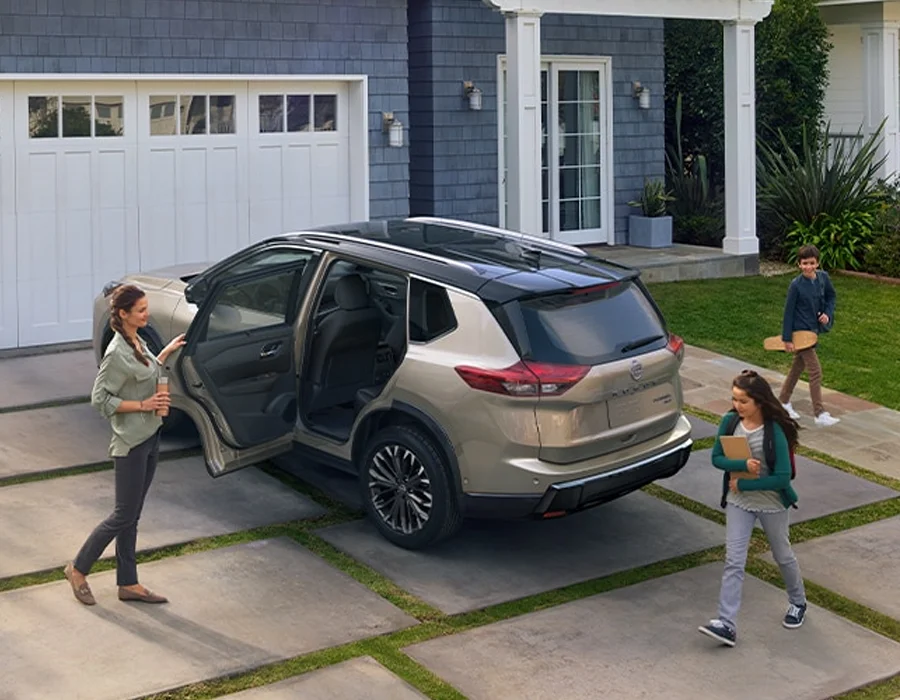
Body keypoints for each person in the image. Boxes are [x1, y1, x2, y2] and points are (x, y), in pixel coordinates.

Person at [64, 284, 185, 606]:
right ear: (123, 314)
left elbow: (144, 371)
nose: (147, 314)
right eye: (141, 310)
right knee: (122, 515)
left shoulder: (136, 340)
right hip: (131, 443)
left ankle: (128, 583)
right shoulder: (117, 352)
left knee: (133, 515)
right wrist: (144, 406)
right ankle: (77, 569)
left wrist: (166, 352)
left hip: (150, 436)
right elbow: (100, 398)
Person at [698, 370, 807, 647]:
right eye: (734, 399)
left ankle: (798, 602)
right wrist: (741, 467)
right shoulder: (729, 421)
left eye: (743, 401)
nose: (737, 406)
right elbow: (716, 458)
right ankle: (726, 623)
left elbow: (782, 477)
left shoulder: (775, 431)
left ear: (759, 401)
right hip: (739, 504)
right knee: (734, 560)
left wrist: (746, 484)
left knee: (782, 556)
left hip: (771, 504)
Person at [778, 245, 839, 427]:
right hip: (800, 333)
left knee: (797, 368)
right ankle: (819, 413)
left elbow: (831, 297)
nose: (808, 267)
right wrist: (787, 339)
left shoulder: (823, 278)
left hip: (813, 331)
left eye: (812, 263)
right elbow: (788, 312)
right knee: (815, 371)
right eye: (804, 263)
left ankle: (783, 401)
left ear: (817, 263)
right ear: (799, 264)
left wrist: (827, 313)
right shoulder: (796, 285)